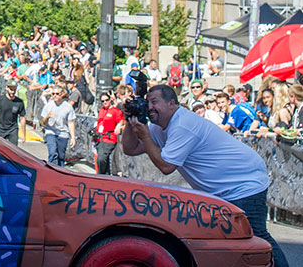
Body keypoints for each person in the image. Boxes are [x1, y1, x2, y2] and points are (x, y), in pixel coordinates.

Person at [121, 84, 289, 267]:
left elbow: (166, 166)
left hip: (243, 182)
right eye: (147, 103)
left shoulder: (182, 124)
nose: (150, 107)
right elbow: (130, 149)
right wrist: (130, 120)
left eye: (154, 102)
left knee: (256, 238)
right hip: (220, 191)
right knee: (225, 244)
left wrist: (144, 135)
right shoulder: (159, 127)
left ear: (172, 104)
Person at [38, 86, 76, 167]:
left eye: (57, 94)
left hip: (63, 132)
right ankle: (51, 171)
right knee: (52, 153)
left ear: (62, 94)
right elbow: (42, 122)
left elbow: (70, 122)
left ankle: (60, 172)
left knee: (61, 156)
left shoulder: (68, 107)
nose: (55, 96)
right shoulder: (48, 105)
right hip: (50, 131)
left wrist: (73, 137)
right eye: (53, 94)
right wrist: (47, 117)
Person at [94, 92, 124, 175]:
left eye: (106, 100)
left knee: (101, 158)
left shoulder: (115, 111)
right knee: (103, 159)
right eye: (102, 101)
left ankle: (100, 176)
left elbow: (122, 119)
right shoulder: (101, 110)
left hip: (109, 138)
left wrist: (119, 125)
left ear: (110, 100)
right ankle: (105, 176)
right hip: (99, 138)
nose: (105, 102)